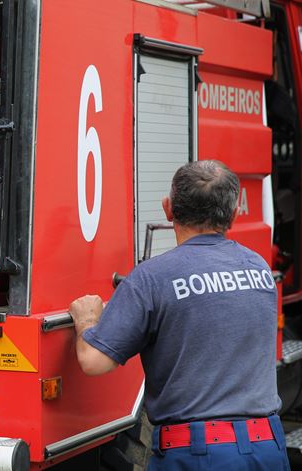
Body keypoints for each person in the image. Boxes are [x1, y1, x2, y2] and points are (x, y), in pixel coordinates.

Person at [68, 160, 289, 470]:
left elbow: (93, 361)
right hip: (268, 449)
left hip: (198, 456)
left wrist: (87, 320)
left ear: (168, 208)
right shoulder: (259, 268)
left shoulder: (151, 278)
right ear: (234, 214)